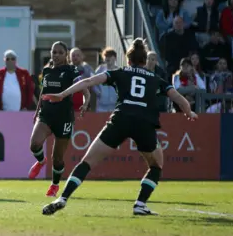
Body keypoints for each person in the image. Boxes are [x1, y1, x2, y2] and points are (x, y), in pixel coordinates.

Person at [41, 39, 197, 216]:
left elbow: (88, 82)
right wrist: (189, 112)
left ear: (128, 60)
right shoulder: (156, 78)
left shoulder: (120, 72)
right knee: (156, 165)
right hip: (144, 123)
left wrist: (62, 94)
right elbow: (177, 96)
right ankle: (140, 204)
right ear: (145, 61)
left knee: (87, 161)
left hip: (121, 119)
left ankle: (63, 198)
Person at [28, 42, 90, 197]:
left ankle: (55, 185)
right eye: (53, 52)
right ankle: (41, 162)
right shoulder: (47, 70)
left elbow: (83, 86)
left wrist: (86, 100)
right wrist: (37, 111)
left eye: (59, 52)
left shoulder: (71, 70)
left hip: (64, 118)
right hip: (46, 114)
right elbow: (44, 90)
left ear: (65, 55)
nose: (55, 55)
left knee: (57, 159)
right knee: (34, 144)